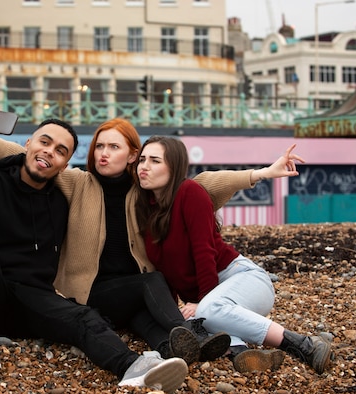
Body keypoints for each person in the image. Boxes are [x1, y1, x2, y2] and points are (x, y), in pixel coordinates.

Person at [0, 96, 303, 366]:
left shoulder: (144, 189)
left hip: (129, 293)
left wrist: (261, 174)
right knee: (152, 282)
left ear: (132, 156)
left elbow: (202, 185)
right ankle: (198, 333)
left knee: (153, 326)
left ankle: (187, 354)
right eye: (100, 147)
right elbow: (28, 152)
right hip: (89, 291)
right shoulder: (76, 182)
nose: (103, 154)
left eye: (114, 147)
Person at [0, 102, 189, 392]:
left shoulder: (61, 201)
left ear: (64, 165)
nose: (50, 151)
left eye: (61, 151)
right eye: (44, 142)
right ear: (28, 144)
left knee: (83, 316)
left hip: (31, 301)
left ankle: (130, 366)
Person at [135, 135, 333, 375]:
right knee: (195, 325)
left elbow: (204, 251)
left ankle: (305, 345)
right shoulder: (148, 210)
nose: (144, 166)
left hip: (243, 279)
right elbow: (167, 272)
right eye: (142, 159)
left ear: (174, 167)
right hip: (214, 299)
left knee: (208, 312)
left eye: (154, 161)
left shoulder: (189, 192)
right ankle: (244, 354)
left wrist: (200, 302)